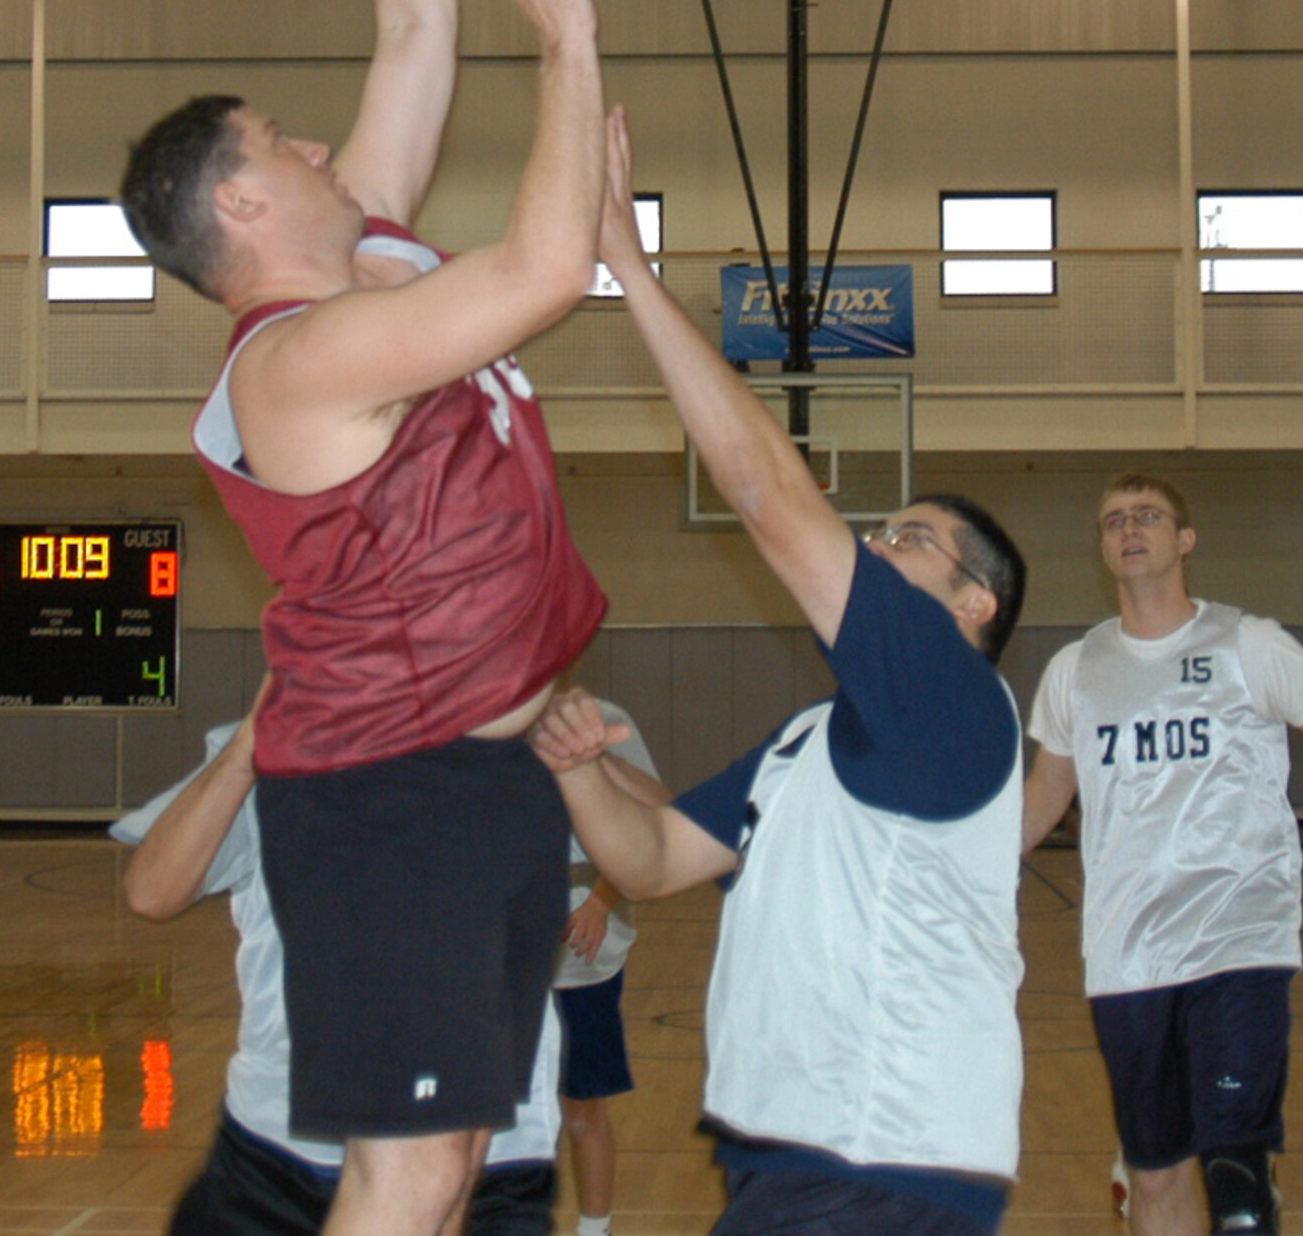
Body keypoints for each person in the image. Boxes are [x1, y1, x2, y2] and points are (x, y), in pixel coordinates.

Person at [118, 0, 609, 1236]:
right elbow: (544, 270)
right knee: (403, 1176)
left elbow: (409, 24)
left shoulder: (369, 264)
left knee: (450, 1165)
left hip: (476, 775)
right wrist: (572, 44)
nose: (323, 144)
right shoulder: (303, 365)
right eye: (285, 146)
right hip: (387, 788)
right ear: (242, 209)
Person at [531, 107, 1030, 1236]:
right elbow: (654, 858)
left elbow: (767, 492)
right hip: (803, 1155)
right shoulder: (818, 737)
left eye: (907, 538)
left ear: (972, 604)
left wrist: (630, 270)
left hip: (880, 1150)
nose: (874, 542)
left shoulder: (950, 699)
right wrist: (578, 771)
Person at [1021, 471, 1303, 1236]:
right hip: (1125, 954)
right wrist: (955, 882)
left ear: (1183, 540)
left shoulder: (1245, 642)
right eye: (1113, 519)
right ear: (1102, 548)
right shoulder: (1075, 670)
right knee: (1152, 1182)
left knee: (1235, 1183)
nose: (1128, 527)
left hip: (1236, 939)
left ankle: (1249, 1183)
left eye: (1147, 515)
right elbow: (1044, 798)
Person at [113, 699, 560, 1236]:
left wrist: (580, 757)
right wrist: (243, 752)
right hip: (277, 1145)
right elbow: (151, 891)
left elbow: (655, 852)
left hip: (486, 1156)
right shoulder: (269, 742)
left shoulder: (512, 748)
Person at [552, 697, 665, 1236]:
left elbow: (653, 820)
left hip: (581, 960)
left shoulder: (604, 715)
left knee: (582, 1108)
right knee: (491, 1116)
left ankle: (594, 1230)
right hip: (497, 959)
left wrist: (600, 900)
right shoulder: (476, 715)